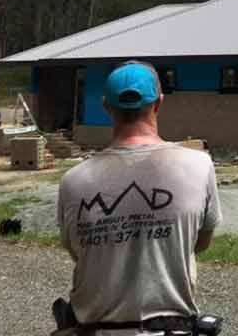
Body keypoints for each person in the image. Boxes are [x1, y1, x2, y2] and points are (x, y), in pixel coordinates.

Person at [54, 61, 222, 335]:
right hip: (171, 328)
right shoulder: (199, 165)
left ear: (106, 106)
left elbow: (79, 252)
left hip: (93, 328)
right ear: (158, 102)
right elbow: (199, 243)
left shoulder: (73, 180)